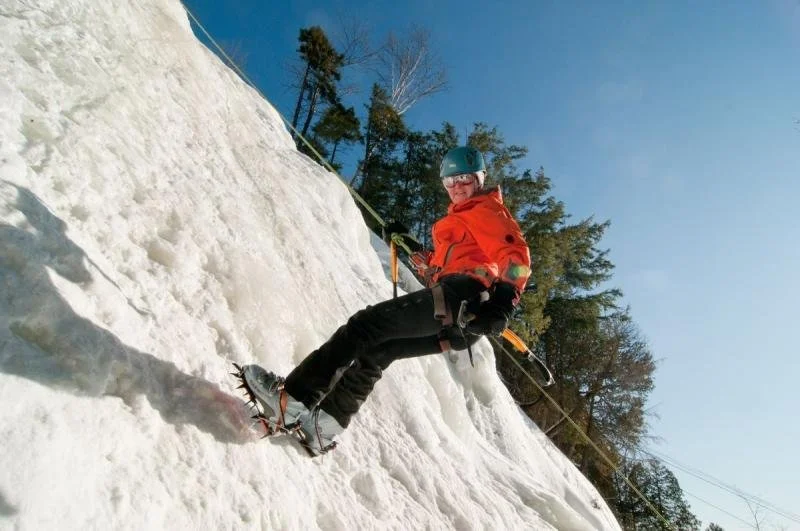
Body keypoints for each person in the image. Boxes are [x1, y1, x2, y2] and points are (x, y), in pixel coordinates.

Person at [238, 146, 531, 455]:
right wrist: (413, 248)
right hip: (459, 321)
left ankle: (294, 398)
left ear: (480, 179)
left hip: (463, 298)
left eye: (465, 179)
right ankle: (324, 427)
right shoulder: (459, 222)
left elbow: (517, 256)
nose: (458, 187)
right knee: (380, 351)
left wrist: (504, 301)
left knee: (365, 326)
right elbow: (442, 269)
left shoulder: (485, 209)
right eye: (450, 181)